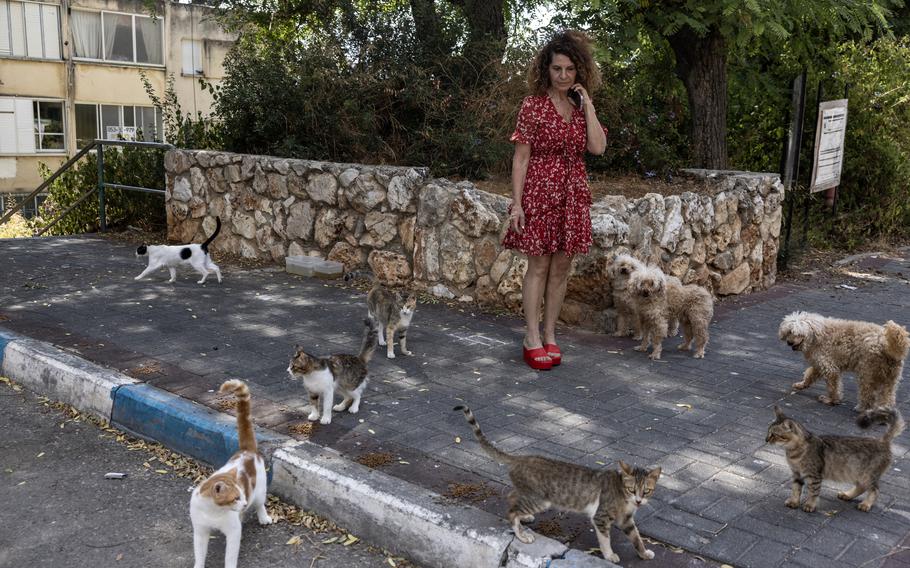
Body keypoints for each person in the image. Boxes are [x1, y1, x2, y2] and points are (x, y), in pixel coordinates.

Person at [502, 30, 607, 370]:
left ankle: (550, 335)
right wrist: (516, 204)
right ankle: (530, 336)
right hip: (539, 192)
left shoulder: (580, 106)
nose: (563, 76)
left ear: (580, 72)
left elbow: (597, 148)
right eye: (557, 69)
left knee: (562, 266)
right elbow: (520, 158)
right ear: (546, 70)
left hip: (573, 193)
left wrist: (587, 104)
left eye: (569, 70)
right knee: (539, 265)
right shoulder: (532, 105)